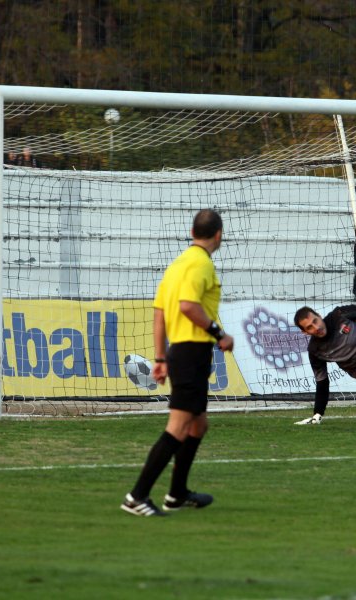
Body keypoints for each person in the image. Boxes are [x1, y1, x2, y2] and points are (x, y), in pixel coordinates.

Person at [121, 208, 235, 517]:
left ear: (192, 231)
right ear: (219, 235)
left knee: (198, 423)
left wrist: (160, 357)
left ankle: (177, 493)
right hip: (191, 353)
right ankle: (137, 496)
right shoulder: (201, 264)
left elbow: (160, 313)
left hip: (179, 353)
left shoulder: (177, 265)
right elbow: (187, 306)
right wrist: (219, 333)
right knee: (180, 424)